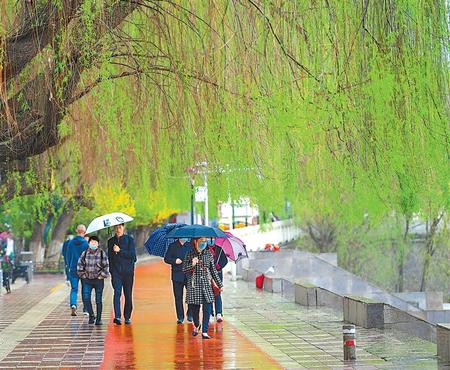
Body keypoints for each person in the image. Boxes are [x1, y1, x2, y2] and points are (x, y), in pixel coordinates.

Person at [182, 237, 223, 340]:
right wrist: (192, 264)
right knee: (194, 308)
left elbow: (213, 270)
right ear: (195, 242)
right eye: (201, 241)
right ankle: (197, 324)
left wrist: (220, 284)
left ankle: (204, 331)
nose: (203, 243)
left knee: (207, 307)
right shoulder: (189, 254)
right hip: (194, 285)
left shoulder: (208, 254)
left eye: (205, 241)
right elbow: (184, 270)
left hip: (206, 285)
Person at [107, 223, 136, 325]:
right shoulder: (111, 241)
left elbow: (133, 256)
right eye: (116, 227)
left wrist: (120, 251)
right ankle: (117, 316)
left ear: (123, 228)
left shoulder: (129, 240)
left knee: (128, 295)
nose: (118, 229)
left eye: (120, 227)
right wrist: (111, 271)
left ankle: (127, 316)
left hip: (128, 272)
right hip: (116, 272)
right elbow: (110, 258)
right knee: (117, 293)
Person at [77, 236, 110, 325]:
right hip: (87, 280)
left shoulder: (102, 253)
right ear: (89, 243)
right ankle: (91, 315)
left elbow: (106, 266)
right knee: (86, 298)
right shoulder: (84, 254)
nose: (93, 243)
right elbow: (80, 265)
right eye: (91, 242)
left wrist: (101, 276)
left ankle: (99, 319)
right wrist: (83, 275)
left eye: (95, 242)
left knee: (98, 300)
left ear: (98, 244)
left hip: (98, 280)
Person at [164, 238, 193, 324]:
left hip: (189, 275)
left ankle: (190, 314)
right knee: (178, 297)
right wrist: (174, 261)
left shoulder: (190, 246)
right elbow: (166, 259)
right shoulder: (172, 246)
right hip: (177, 276)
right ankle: (180, 317)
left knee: (191, 296)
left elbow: (195, 256)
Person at [66, 225, 89, 316]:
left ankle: (73, 305)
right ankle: (86, 309)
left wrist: (69, 265)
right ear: (84, 232)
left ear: (76, 231)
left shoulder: (71, 243)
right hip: (83, 269)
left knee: (74, 289)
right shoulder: (86, 244)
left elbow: (68, 256)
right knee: (85, 289)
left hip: (73, 269)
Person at [207, 238, 228, 323]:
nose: (211, 240)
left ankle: (219, 313)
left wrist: (219, 265)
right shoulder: (205, 249)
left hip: (218, 274)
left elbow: (225, 260)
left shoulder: (219, 249)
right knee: (209, 294)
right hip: (208, 275)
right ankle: (210, 313)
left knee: (217, 292)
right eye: (209, 238)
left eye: (212, 238)